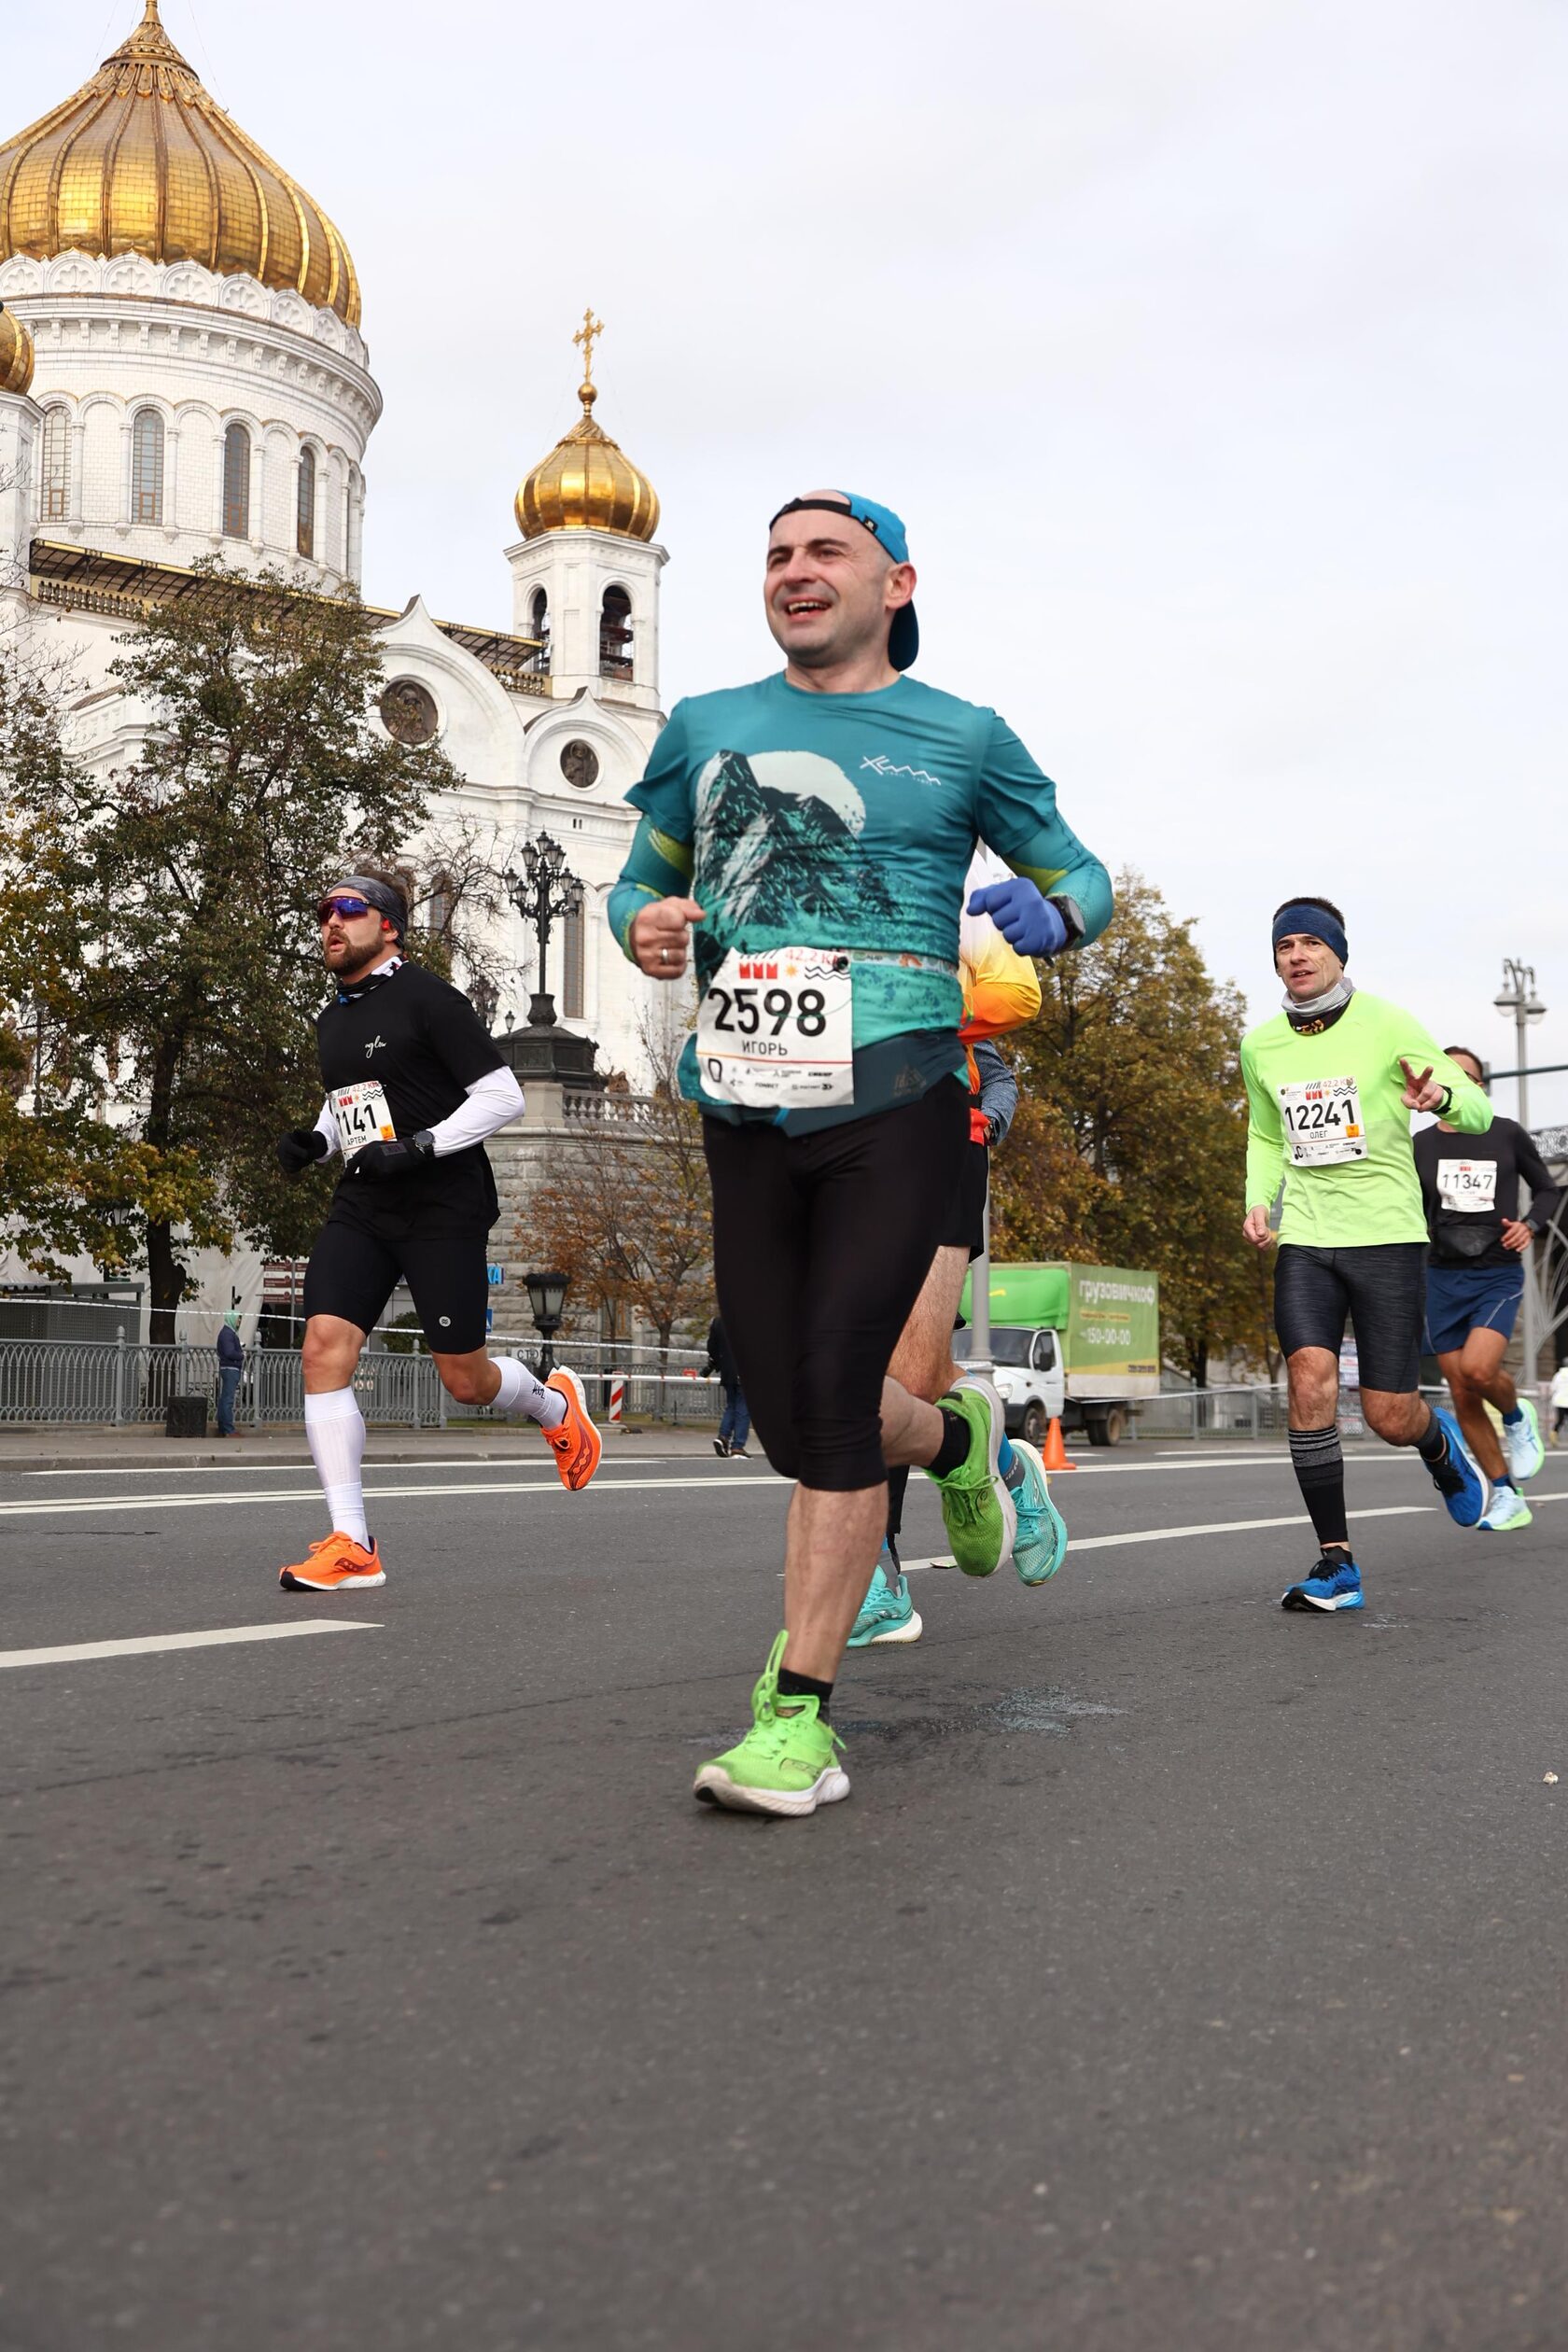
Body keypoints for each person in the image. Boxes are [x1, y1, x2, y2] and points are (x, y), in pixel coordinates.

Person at [609, 486, 1111, 1813]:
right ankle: (961, 1443)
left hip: (898, 1095)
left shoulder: (963, 735)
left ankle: (796, 1720)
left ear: (897, 584)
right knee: (790, 1418)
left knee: (835, 1389)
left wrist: (1051, 917)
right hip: (744, 1103)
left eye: (826, 550)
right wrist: (641, 923)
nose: (795, 569)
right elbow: (642, 876)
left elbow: (1084, 876)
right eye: (777, 553)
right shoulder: (706, 725)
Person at [273, 872, 601, 1592]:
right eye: (323, 912)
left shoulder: (430, 999)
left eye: (348, 909)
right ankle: (352, 1542)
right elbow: (350, 1105)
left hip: (442, 1204)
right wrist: (319, 1143)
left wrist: (420, 1147)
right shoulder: (333, 1019)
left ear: (388, 925)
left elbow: (503, 1096)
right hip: (365, 1202)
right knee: (324, 1349)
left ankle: (552, 1404)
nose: (331, 922)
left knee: (465, 1379)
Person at [1241, 896, 1492, 1614]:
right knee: (1308, 1380)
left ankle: (1439, 1446)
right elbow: (1265, 1135)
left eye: (1310, 943)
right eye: (1284, 945)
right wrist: (1258, 1200)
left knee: (1389, 1414)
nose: (1297, 955)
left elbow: (1476, 1110)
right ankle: (1337, 1564)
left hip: (1385, 1235)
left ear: (1337, 953)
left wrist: (1439, 1096)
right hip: (1307, 1236)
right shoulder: (1261, 1046)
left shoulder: (1389, 1024)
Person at [850, 851, 1066, 1649]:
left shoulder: (948, 865)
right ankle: (1001, 1461)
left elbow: (1014, 998)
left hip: (934, 1138)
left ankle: (876, 1575)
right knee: (881, 1378)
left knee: (901, 1381)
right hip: (828, 1143)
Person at [1413, 1047, 1557, 1531]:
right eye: (1445, 1072)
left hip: (1496, 1271)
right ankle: (1507, 1494)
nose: (1454, 1079)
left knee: (1478, 1369)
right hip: (1442, 1275)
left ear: (1480, 1086)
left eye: (1466, 1075)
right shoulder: (1420, 1144)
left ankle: (1516, 1417)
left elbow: (1548, 1189)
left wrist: (1530, 1225)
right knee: (1462, 1390)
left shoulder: (1507, 1133)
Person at [705, 1315, 750, 1457]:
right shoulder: (752, 1318)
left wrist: (720, 1363)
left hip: (727, 1371)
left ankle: (723, 1437)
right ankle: (738, 1445)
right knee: (744, 1408)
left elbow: (711, 1347)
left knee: (731, 1405)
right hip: (746, 1369)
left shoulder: (719, 1320)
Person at [215, 1312, 244, 1437]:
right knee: (228, 1400)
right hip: (230, 1368)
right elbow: (229, 1352)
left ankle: (223, 1427)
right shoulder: (228, 1334)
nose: (239, 1322)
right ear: (232, 1319)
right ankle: (228, 1429)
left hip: (228, 1368)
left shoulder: (228, 1333)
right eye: (238, 1319)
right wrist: (241, 1355)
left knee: (225, 1398)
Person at [1551, 1359, 1568, 1447]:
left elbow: (1553, 1388)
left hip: (1559, 1401)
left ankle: (1553, 1436)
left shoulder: (1558, 1375)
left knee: (1560, 1420)